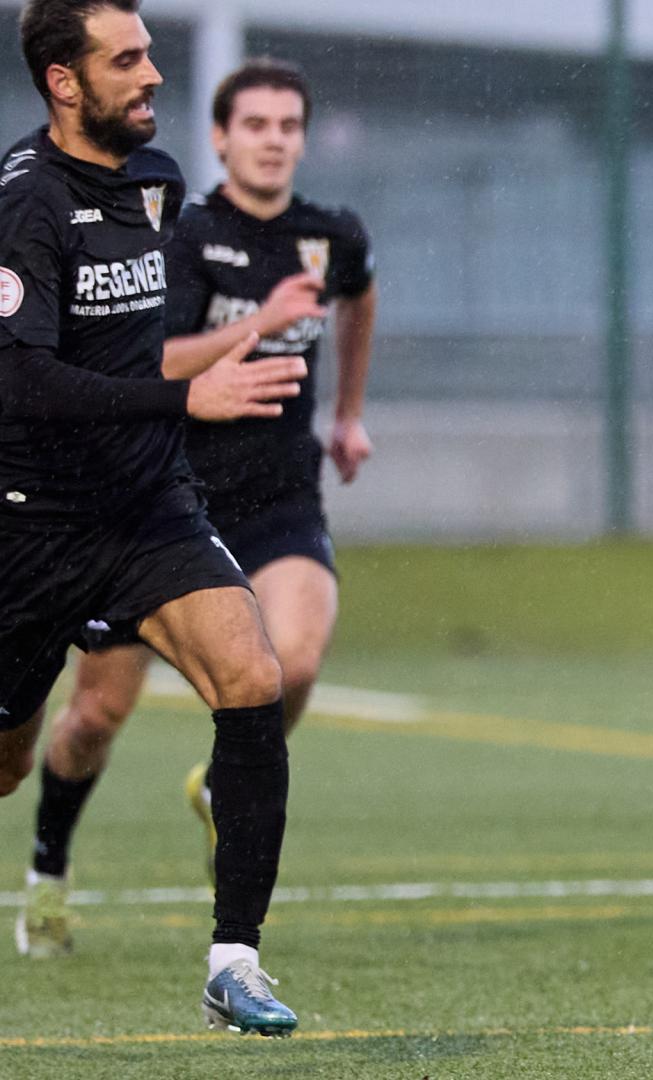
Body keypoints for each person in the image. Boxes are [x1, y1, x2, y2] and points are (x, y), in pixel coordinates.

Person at [1, 0, 303, 1036]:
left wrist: (221, 363)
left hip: (148, 507)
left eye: (150, 54)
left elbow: (140, 353)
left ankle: (234, 964)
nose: (154, 75)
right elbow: (25, 383)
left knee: (252, 677)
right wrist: (188, 398)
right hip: (27, 523)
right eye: (126, 60)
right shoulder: (25, 203)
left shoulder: (157, 182)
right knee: (6, 765)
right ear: (64, 82)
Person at [23, 56, 376, 928]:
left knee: (289, 663)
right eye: (254, 125)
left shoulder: (329, 236)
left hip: (281, 497)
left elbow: (360, 297)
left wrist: (350, 414)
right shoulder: (176, 232)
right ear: (220, 137)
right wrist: (254, 325)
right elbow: (148, 361)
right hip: (161, 498)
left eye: (289, 126)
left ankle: (222, 790)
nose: (273, 141)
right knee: (95, 716)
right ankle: (48, 875)